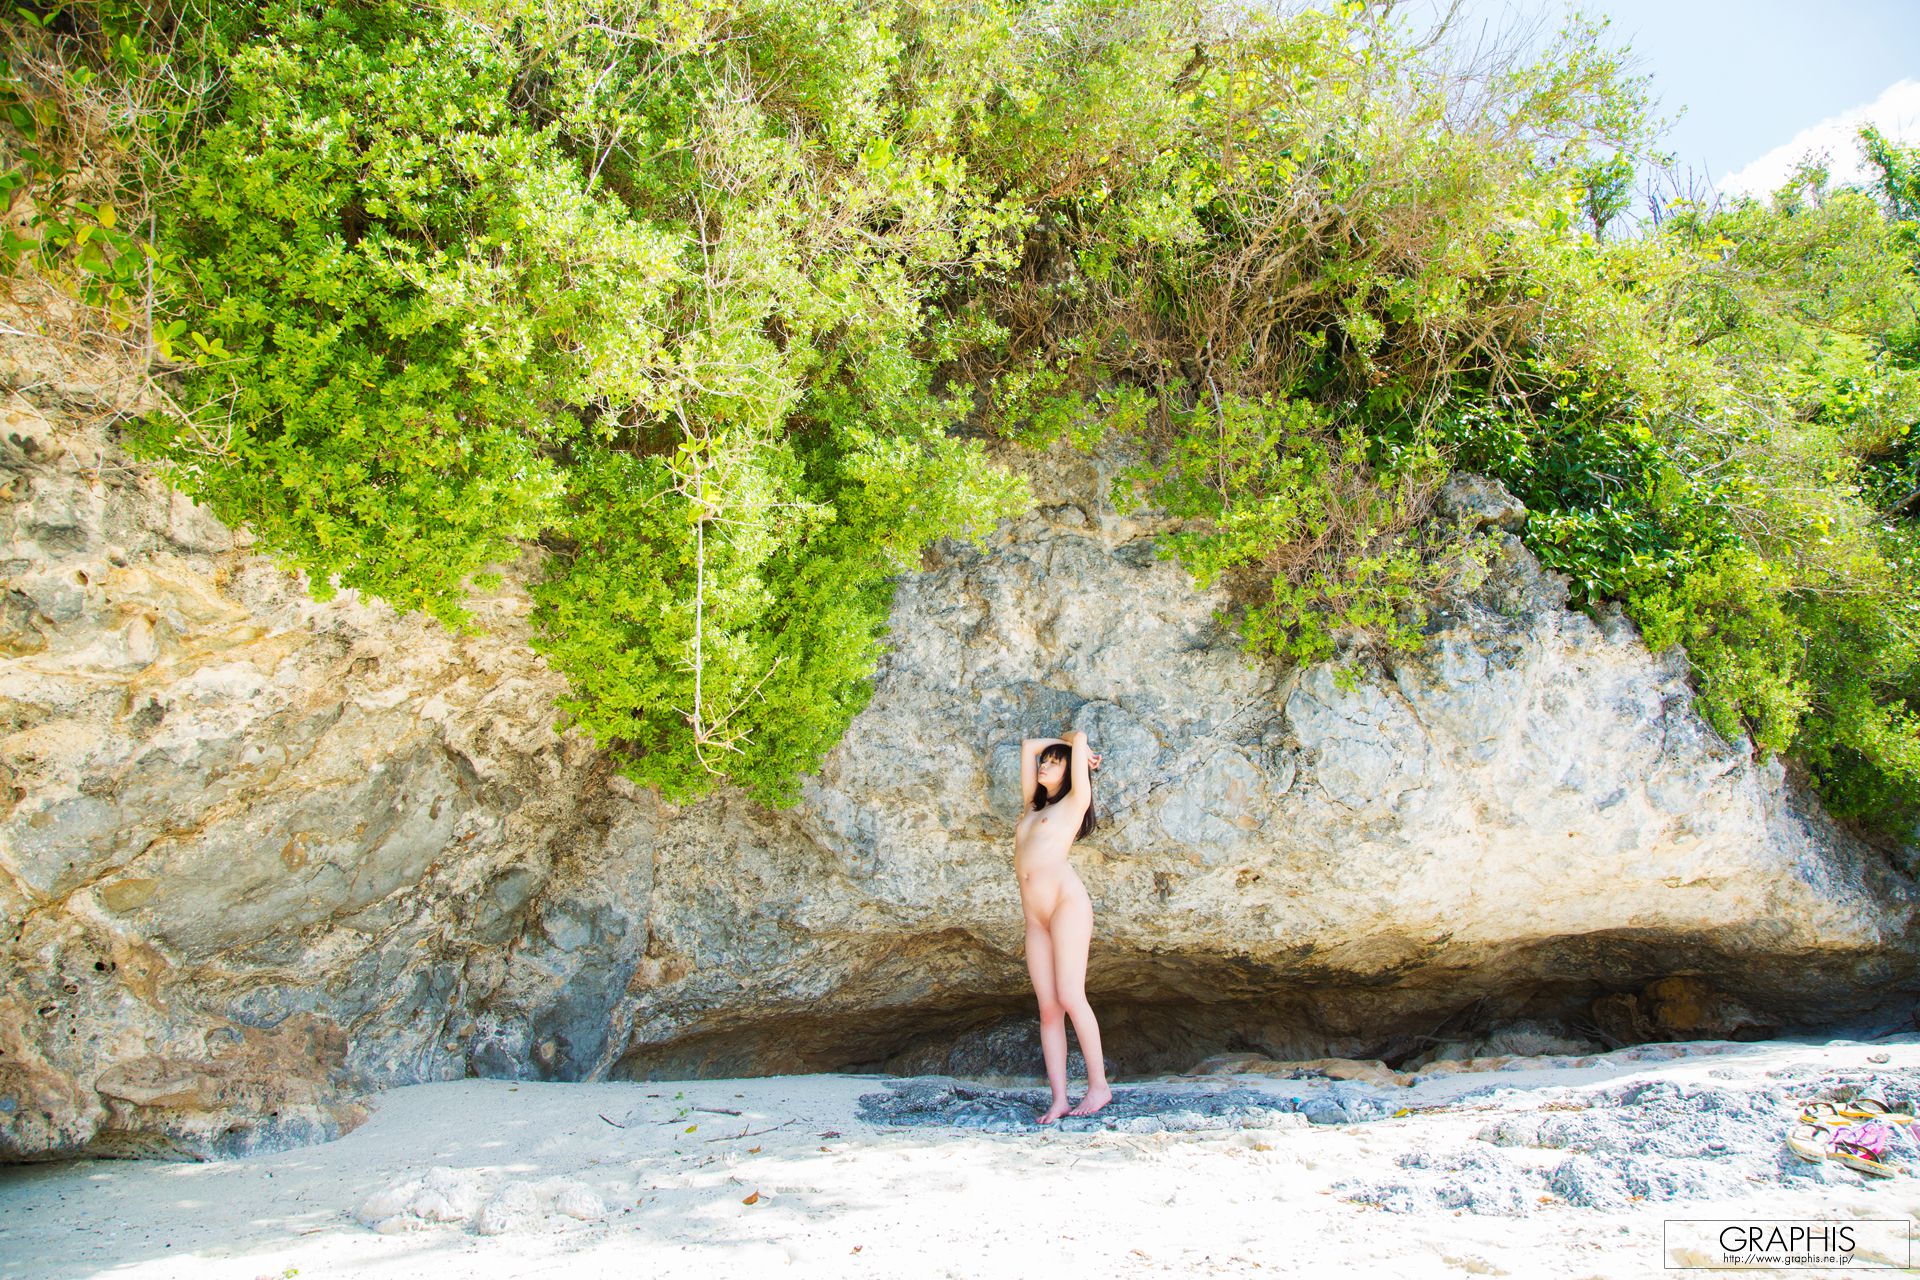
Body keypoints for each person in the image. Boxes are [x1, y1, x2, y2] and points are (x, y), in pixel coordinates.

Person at [1014, 730, 1112, 1122]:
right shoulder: (1032, 805)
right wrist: (1062, 746)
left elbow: (1080, 736)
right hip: (1035, 918)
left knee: (1071, 995)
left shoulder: (1074, 802)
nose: (1045, 765)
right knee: (1049, 1008)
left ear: (1071, 771)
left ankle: (1099, 1086)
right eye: (1046, 761)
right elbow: (1028, 747)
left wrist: (1077, 747)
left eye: (1055, 763)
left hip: (1066, 905)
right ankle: (1059, 1099)